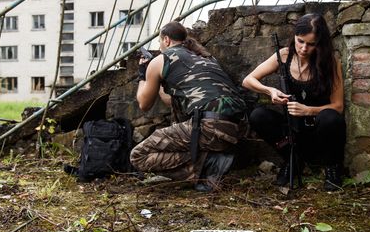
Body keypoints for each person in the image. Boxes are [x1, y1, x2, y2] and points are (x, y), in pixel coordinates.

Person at [130, 21, 249, 192]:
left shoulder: (161, 60)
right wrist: (160, 82)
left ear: (166, 40)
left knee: (138, 156)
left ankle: (206, 167)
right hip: (239, 127)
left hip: (210, 127)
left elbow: (144, 104)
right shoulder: (205, 57)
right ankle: (211, 160)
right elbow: (172, 100)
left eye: (159, 42)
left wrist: (143, 74)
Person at [242, 13, 346, 191]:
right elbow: (248, 80)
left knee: (331, 118)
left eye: (311, 44)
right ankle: (293, 159)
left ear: (320, 43)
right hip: (291, 132)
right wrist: (270, 91)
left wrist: (307, 110)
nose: (304, 48)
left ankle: (332, 167)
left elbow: (338, 107)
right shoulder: (283, 55)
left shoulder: (330, 63)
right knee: (258, 115)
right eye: (300, 41)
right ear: (294, 37)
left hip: (319, 133)